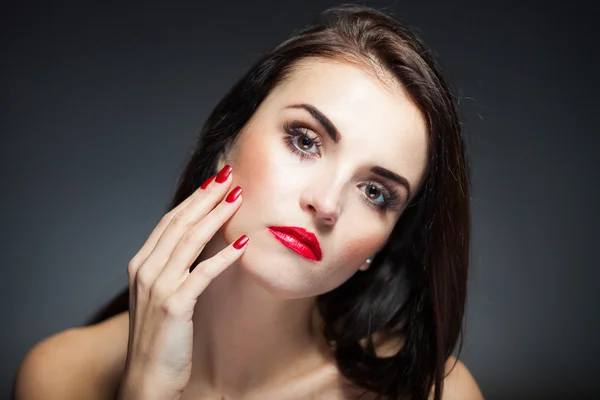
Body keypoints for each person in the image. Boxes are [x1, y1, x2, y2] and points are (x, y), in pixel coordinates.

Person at [14, 5, 483, 400]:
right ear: (227, 141)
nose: (325, 203)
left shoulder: (436, 391)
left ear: (385, 242)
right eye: (304, 141)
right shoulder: (62, 376)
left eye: (375, 192)